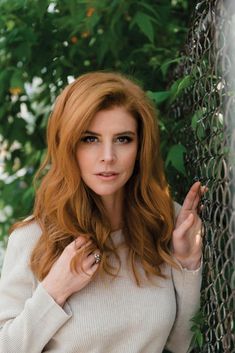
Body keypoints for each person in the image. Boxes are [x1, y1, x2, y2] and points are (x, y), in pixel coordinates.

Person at [0, 72, 204, 353]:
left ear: (140, 147)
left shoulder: (165, 223)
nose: (108, 156)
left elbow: (182, 344)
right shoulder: (34, 238)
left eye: (123, 139)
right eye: (90, 139)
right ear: (68, 145)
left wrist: (187, 262)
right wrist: (54, 291)